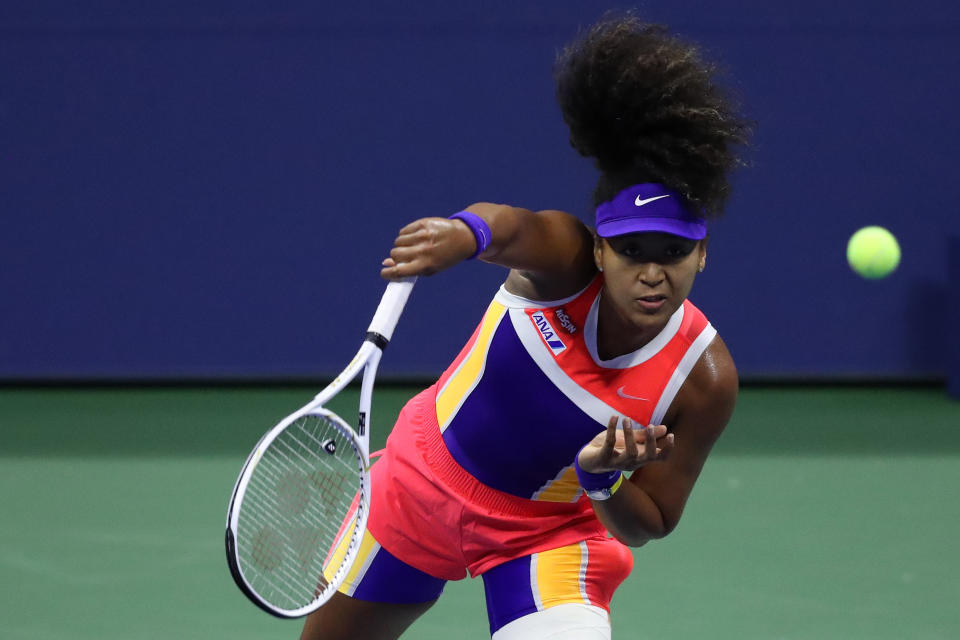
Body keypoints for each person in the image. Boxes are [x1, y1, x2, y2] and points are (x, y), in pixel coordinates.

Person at [301, 13, 749, 640]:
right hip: (416, 485)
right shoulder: (565, 261)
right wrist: (464, 234)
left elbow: (651, 521)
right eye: (631, 251)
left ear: (702, 254)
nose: (653, 273)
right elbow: (509, 226)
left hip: (545, 534)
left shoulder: (704, 379)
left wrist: (605, 478)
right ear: (600, 250)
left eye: (673, 254)